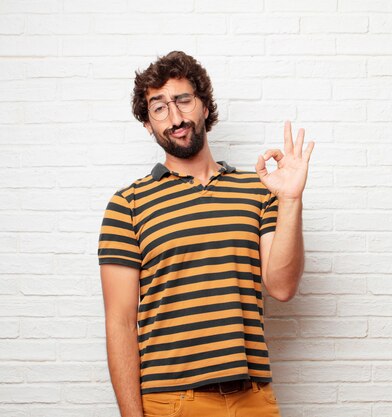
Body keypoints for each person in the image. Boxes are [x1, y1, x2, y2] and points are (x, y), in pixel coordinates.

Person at [97, 51, 314, 417]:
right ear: (148, 124)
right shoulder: (128, 205)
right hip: (171, 403)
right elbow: (120, 322)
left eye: (183, 100)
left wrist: (291, 199)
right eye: (160, 108)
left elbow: (282, 287)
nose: (176, 117)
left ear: (205, 107)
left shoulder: (259, 190)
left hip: (253, 400)